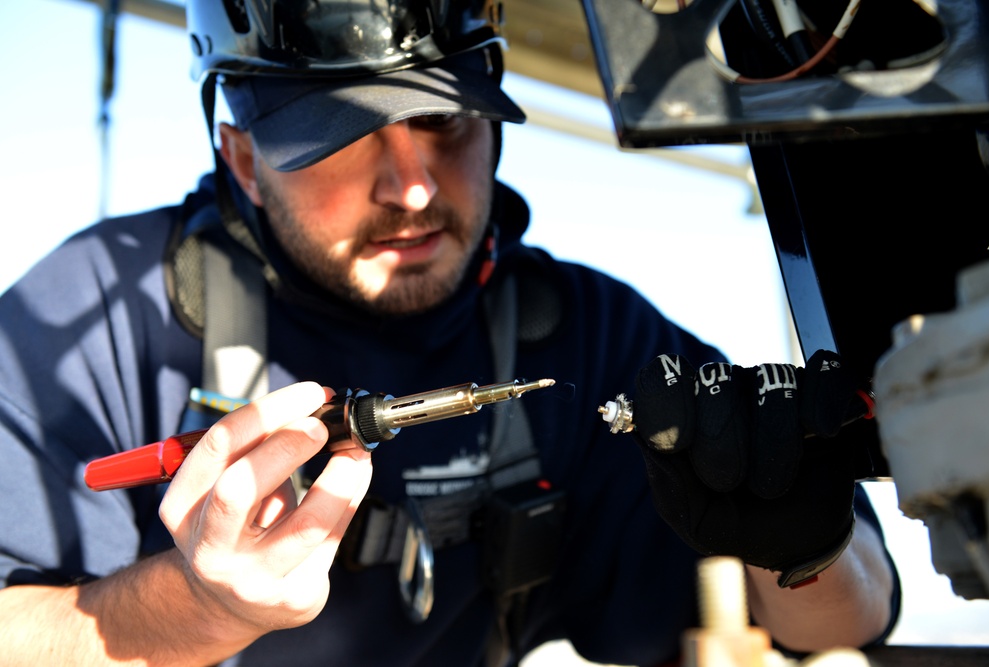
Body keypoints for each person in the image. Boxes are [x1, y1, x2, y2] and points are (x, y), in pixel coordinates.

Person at [0, 1, 898, 665]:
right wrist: (195, 606)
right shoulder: (99, 317)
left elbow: (855, 617)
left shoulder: (585, 335)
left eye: (443, 120)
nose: (415, 187)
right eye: (345, 137)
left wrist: (809, 542)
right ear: (243, 157)